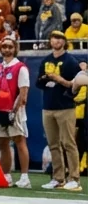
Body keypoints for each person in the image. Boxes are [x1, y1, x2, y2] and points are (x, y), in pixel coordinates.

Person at [0, 35, 32, 189]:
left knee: (19, 141)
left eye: (10, 46)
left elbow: (23, 93)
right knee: (2, 143)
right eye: (4, 46)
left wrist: (14, 111)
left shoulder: (20, 67)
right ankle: (6, 175)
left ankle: (24, 177)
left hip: (14, 110)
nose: (7, 49)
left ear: (15, 49)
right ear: (0, 48)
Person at [36, 30, 82, 191]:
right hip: (48, 106)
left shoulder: (70, 61)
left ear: (64, 41)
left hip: (65, 106)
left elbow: (77, 83)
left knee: (68, 143)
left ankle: (74, 177)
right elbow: (38, 83)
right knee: (53, 144)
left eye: (59, 38)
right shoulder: (46, 60)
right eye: (53, 38)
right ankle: (58, 177)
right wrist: (45, 79)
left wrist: (59, 80)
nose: (56, 41)